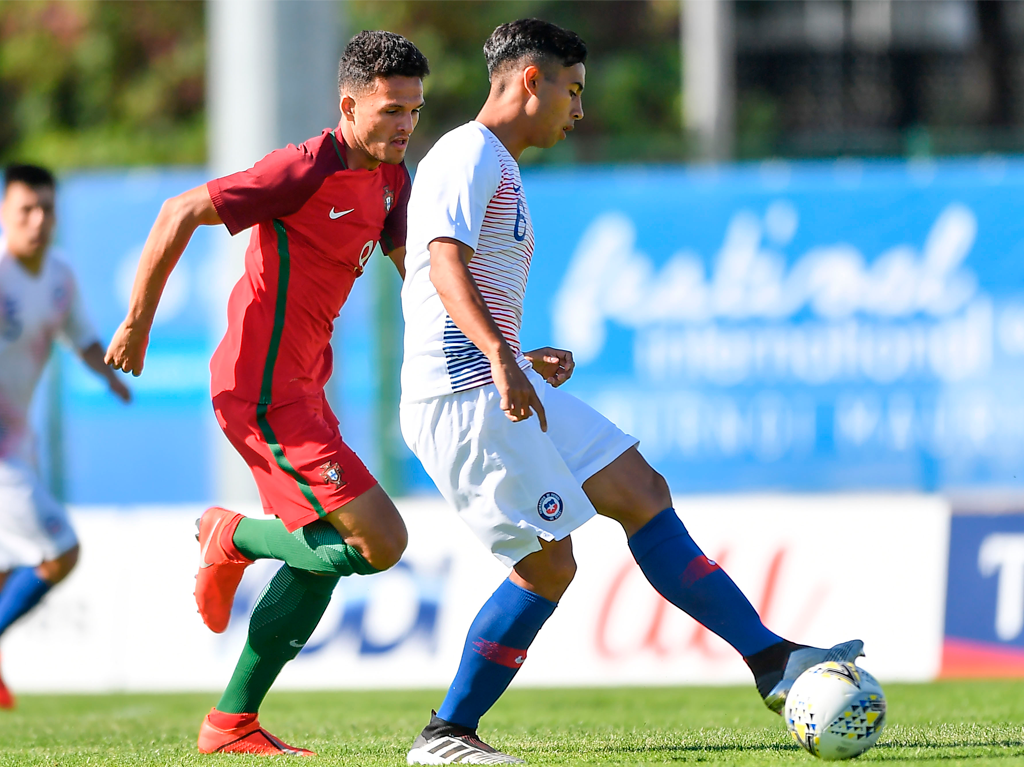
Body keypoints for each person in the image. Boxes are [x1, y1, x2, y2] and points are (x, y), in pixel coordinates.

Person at [399, 19, 864, 765]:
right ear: (529, 81)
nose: (578, 110)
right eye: (572, 91)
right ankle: (445, 735)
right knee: (549, 565)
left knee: (640, 487)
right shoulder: (464, 153)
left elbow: (458, 278)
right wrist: (498, 357)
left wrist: (516, 352)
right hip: (460, 393)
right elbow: (443, 262)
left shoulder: (498, 163)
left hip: (493, 374)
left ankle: (771, 658)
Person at [105, 31, 428, 756]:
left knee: (330, 550)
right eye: (391, 110)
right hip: (259, 393)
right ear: (349, 105)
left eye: (415, 109)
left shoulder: (392, 179)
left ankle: (231, 723)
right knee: (382, 540)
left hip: (305, 391)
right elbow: (178, 210)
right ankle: (236, 534)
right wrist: (135, 324)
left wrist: (499, 347)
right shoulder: (302, 168)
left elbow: (423, 284)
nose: (405, 125)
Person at [0, 164, 131, 710]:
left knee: (8, 563)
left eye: (47, 209)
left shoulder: (59, 275)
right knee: (61, 550)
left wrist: (111, 375)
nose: (38, 220)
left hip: (18, 437)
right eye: (26, 209)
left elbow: (82, 340)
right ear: (5, 213)